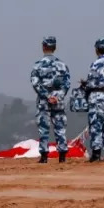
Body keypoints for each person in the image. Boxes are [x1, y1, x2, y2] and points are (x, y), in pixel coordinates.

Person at [30, 36, 71, 164]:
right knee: (60, 127)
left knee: (43, 128)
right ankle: (62, 155)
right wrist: (57, 97)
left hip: (44, 101)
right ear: (55, 47)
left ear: (43, 47)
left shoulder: (38, 65)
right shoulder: (63, 65)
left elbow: (35, 83)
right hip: (58, 101)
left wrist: (48, 96)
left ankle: (44, 156)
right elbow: (67, 84)